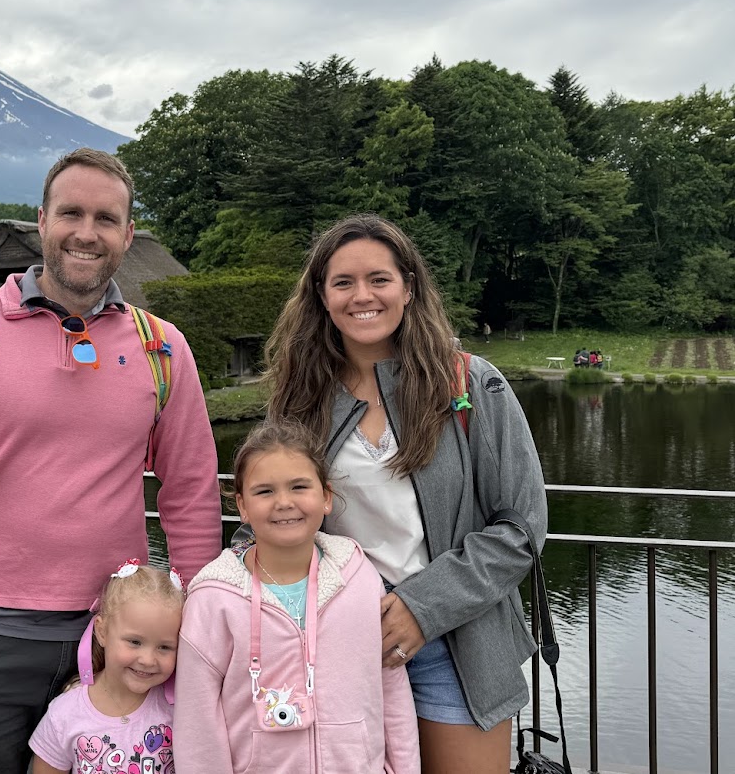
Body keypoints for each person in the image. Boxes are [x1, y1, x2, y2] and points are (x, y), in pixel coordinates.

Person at [0, 147, 222, 774]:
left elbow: (189, 495)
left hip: (112, 647)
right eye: (71, 213)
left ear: (128, 235)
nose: (87, 232)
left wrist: (200, 637)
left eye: (106, 219)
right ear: (42, 222)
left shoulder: (162, 348)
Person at [259, 213, 547, 774]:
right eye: (343, 282)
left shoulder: (470, 383)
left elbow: (523, 525)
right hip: (337, 639)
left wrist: (422, 606)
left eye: (379, 279)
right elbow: (271, 510)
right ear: (321, 296)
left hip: (456, 637)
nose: (362, 296)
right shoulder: (300, 401)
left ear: (408, 288)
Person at [174, 420, 420, 773]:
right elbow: (198, 727)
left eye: (299, 486)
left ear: (326, 497)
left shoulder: (360, 579)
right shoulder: (213, 601)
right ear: (241, 506)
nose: (284, 502)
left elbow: (391, 686)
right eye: (264, 492)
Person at [29, 563, 183, 774]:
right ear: (102, 631)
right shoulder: (64, 714)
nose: (148, 660)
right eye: (134, 642)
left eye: (164, 647)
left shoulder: (180, 711)